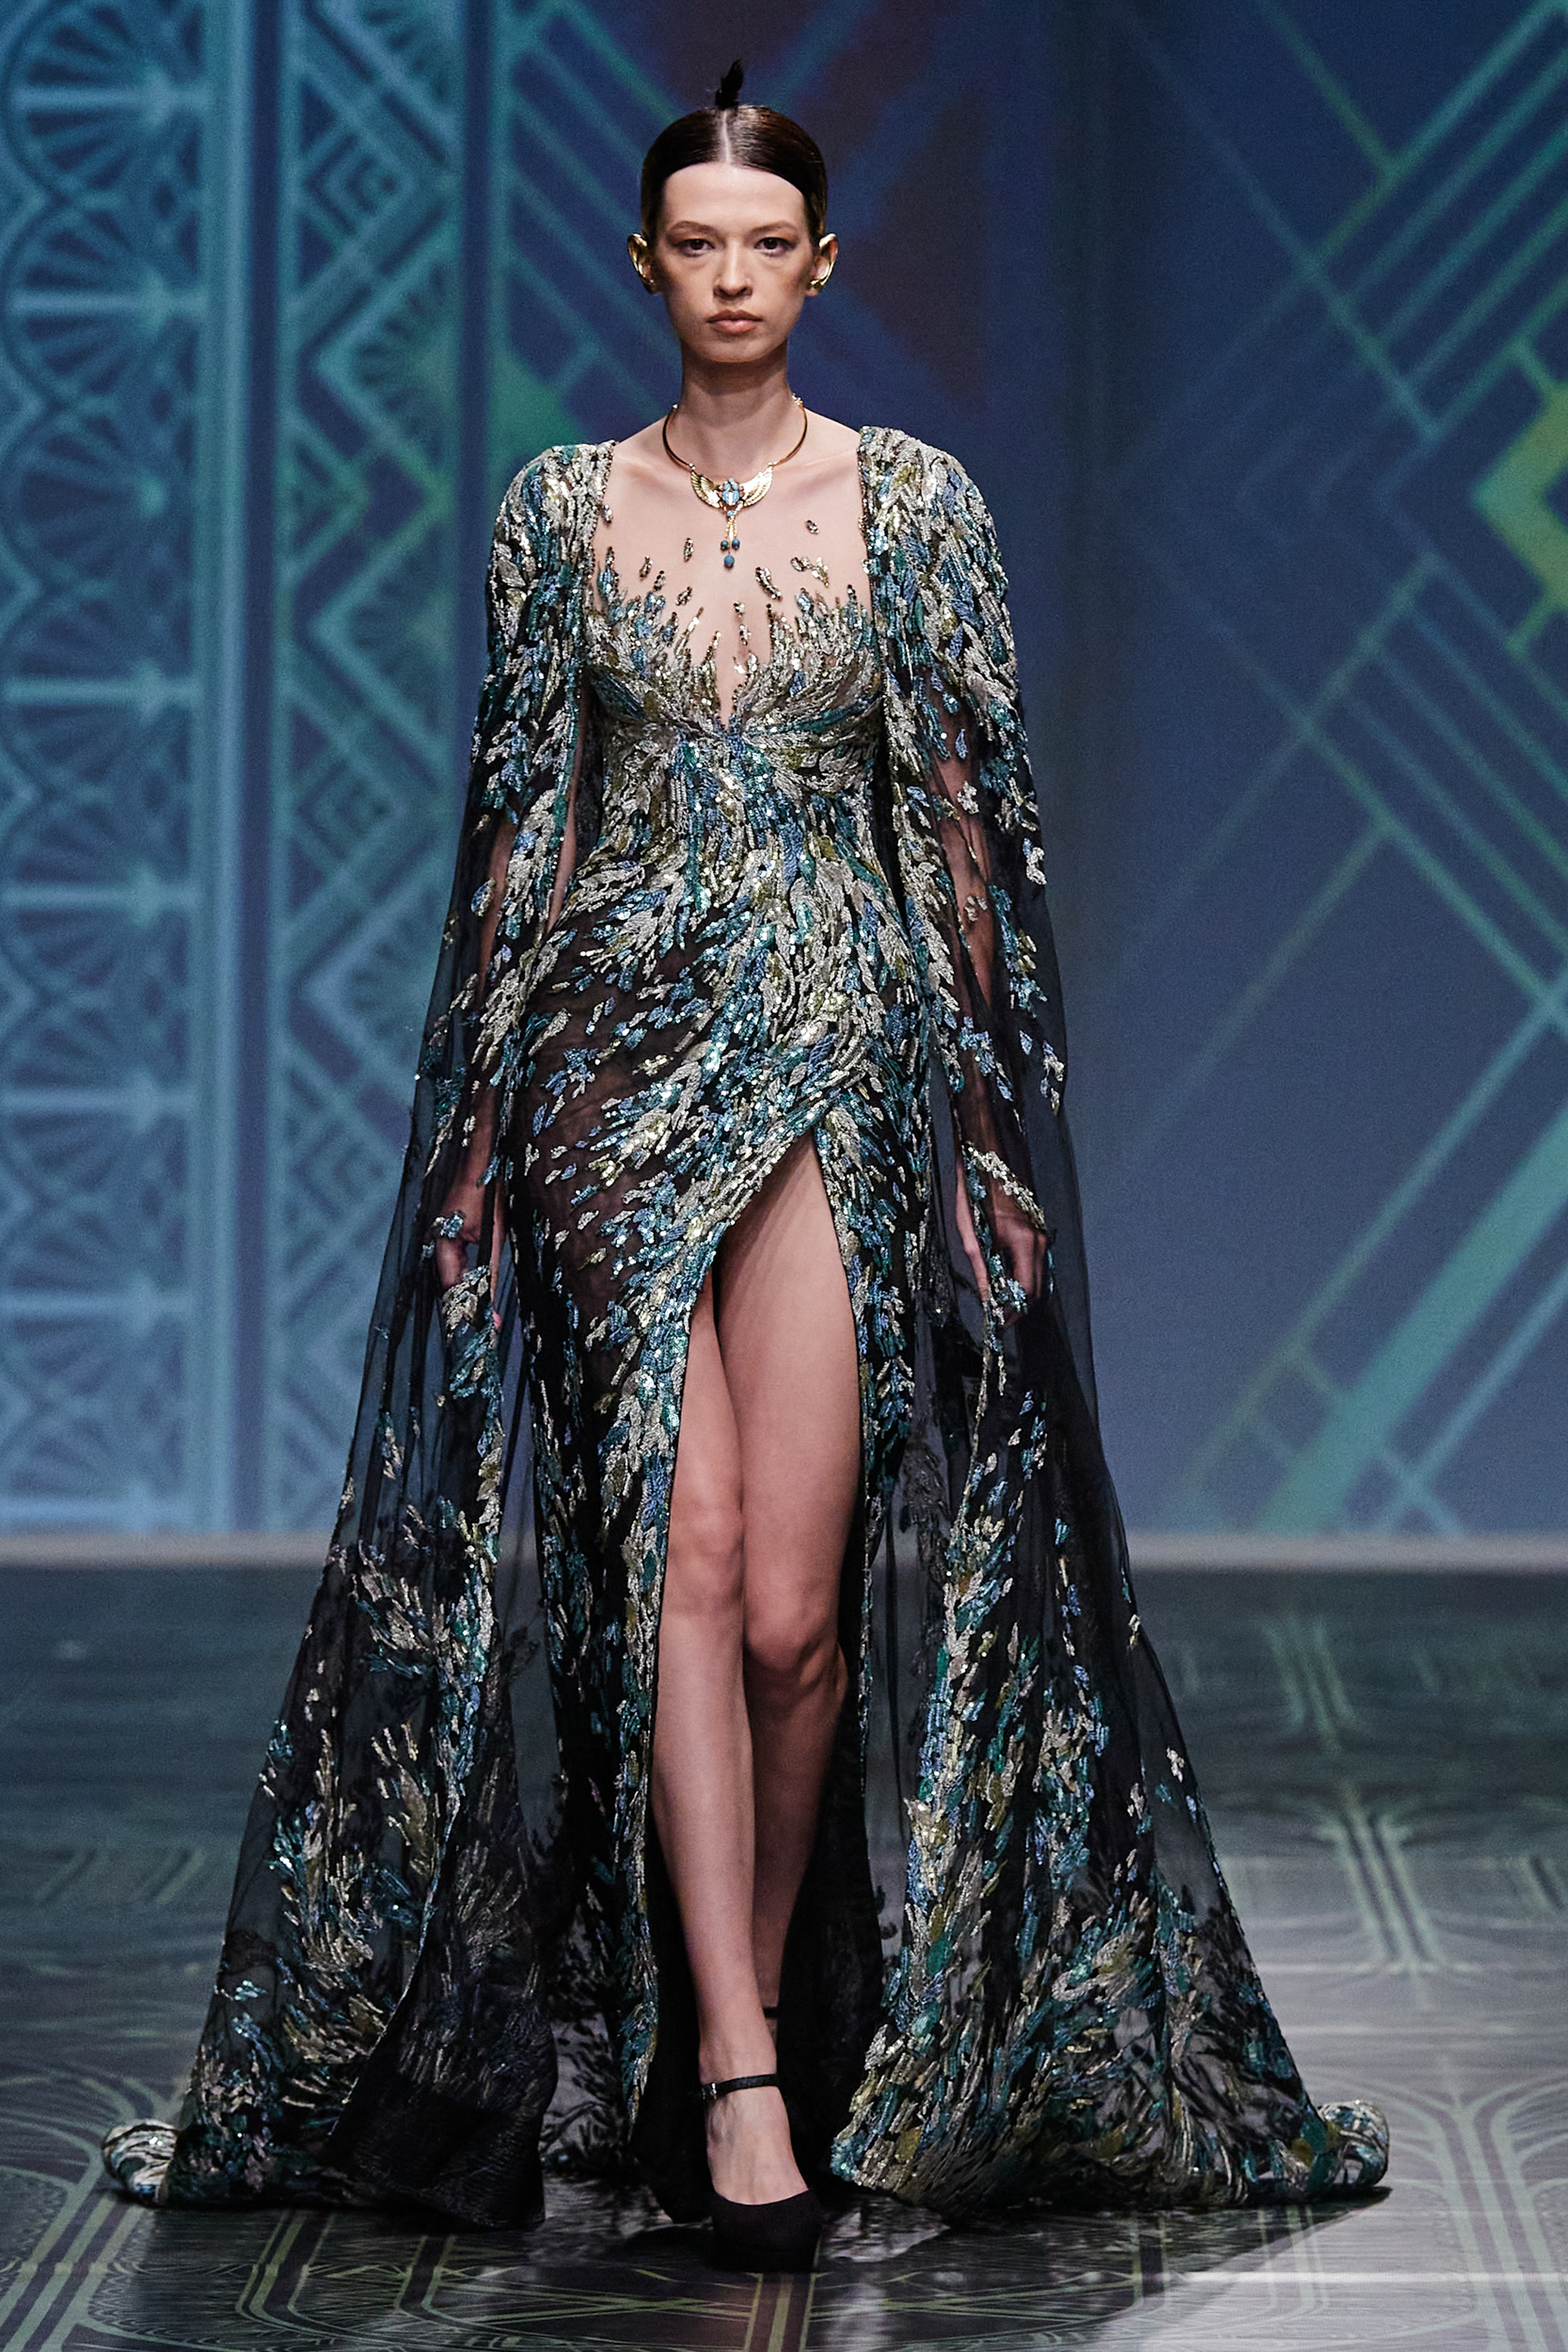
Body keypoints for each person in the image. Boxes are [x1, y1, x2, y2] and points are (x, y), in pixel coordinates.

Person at [103, 65, 1387, 2271]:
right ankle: (732, 2061)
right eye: (692, 244)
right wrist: (475, 1147)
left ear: (820, 264)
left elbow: (968, 837)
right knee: (676, 1556)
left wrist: (991, 1132)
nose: (727, 277)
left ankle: (764, 1985)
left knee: (797, 1613)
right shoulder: (556, 513)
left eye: (762, 244)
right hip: (603, 1060)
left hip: (844, 1055)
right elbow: (522, 833)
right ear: (644, 266)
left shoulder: (917, 507)